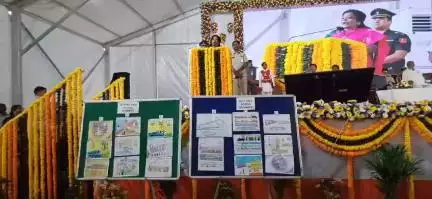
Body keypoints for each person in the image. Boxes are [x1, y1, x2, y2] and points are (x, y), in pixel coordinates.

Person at [327, 9, 390, 89]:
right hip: (341, 71)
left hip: (363, 70)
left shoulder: (368, 32)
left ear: (358, 22)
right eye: (343, 18)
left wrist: (351, 44)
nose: (344, 19)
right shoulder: (336, 35)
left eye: (349, 17)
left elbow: (371, 49)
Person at [371, 8, 411, 76]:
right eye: (374, 18)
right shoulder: (368, 37)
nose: (377, 20)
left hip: (391, 74)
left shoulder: (399, 36)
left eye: (381, 18)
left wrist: (375, 63)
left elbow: (399, 55)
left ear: (389, 21)